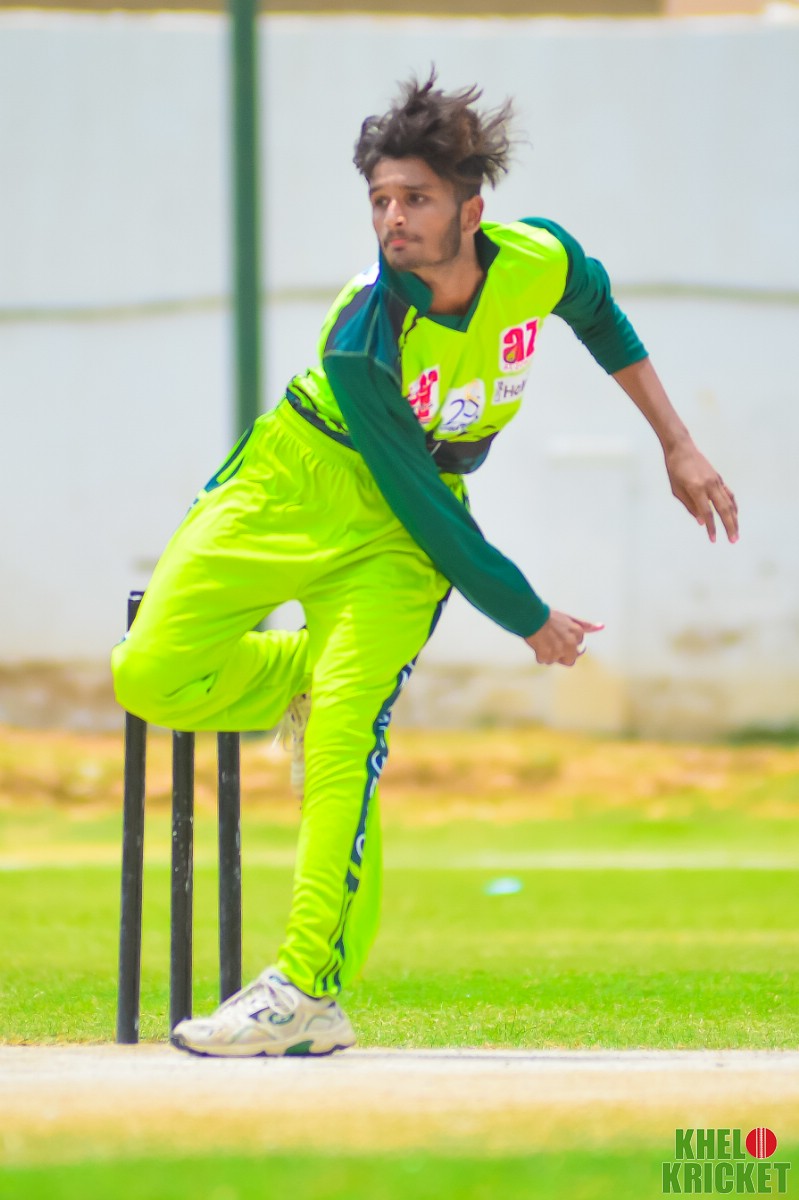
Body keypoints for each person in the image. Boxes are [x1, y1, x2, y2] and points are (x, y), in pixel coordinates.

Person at [111, 72, 738, 1059]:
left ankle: (306, 992)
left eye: (415, 198)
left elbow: (601, 317)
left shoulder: (537, 258)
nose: (391, 220)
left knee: (345, 734)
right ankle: (308, 678)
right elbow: (423, 507)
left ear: (470, 210)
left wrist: (677, 443)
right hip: (293, 477)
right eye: (379, 200)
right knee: (147, 674)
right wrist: (526, 612)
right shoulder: (364, 337)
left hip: (401, 537)